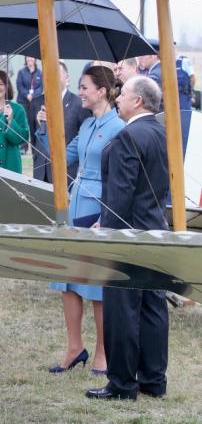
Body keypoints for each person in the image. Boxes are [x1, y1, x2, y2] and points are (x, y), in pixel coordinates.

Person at [86, 76, 170, 401]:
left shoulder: (128, 136)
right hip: (154, 228)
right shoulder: (162, 132)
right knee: (153, 306)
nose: (118, 98)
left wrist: (106, 228)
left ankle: (121, 385)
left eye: (123, 95)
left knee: (121, 309)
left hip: (127, 233)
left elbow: (121, 195)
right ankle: (153, 380)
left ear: (138, 102)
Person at [36, 65, 123, 375]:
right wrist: (45, 129)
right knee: (67, 281)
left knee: (96, 285)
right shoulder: (86, 126)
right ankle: (75, 348)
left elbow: (120, 179)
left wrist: (106, 215)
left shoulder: (118, 127)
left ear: (101, 91)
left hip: (100, 210)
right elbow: (60, 158)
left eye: (85, 86)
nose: (81, 92)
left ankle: (102, 353)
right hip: (75, 205)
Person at [32, 61, 92, 182]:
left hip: (67, 172)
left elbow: (84, 140)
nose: (51, 77)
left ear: (67, 77)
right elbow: (33, 138)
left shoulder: (79, 104)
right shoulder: (36, 103)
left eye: (56, 73)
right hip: (41, 171)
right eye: (47, 74)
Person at [16, 56, 44, 153]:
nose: (30, 61)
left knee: (33, 124)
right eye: (28, 59)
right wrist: (27, 94)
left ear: (35, 60)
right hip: (23, 101)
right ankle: (23, 147)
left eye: (31, 59)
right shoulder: (21, 72)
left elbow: (41, 87)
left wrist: (33, 95)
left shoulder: (40, 73)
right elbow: (19, 86)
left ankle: (34, 147)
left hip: (34, 102)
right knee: (24, 124)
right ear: (25, 60)